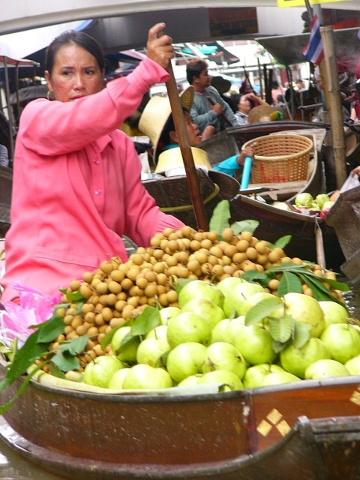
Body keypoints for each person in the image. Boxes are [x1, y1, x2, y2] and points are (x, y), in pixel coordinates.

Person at [0, 23, 185, 303]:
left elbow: (139, 214)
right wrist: (145, 73)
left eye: (89, 72)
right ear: (49, 81)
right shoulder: (36, 118)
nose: (78, 84)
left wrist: (188, 241)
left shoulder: (120, 145)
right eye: (67, 73)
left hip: (104, 293)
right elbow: (83, 118)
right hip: (39, 292)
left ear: (103, 78)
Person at [139, 86, 253, 180]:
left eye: (193, 121)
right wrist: (236, 161)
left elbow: (208, 175)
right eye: (189, 123)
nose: (196, 126)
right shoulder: (177, 165)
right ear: (175, 136)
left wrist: (237, 160)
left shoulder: (181, 156)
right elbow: (211, 179)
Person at [186, 59, 238, 136]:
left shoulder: (211, 90)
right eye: (205, 74)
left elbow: (225, 108)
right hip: (201, 140)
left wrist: (235, 126)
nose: (209, 76)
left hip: (217, 135)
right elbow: (194, 121)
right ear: (196, 79)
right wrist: (213, 113)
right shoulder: (188, 98)